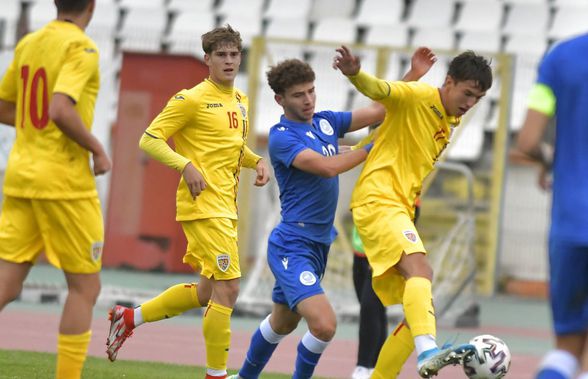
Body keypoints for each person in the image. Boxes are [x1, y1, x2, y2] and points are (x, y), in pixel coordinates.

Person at [228, 48, 436, 379]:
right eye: (299, 95)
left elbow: (378, 109)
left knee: (282, 321)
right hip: (292, 244)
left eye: (311, 90)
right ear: (280, 100)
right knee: (325, 325)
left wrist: (413, 76)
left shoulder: (325, 121)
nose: (308, 99)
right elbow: (327, 167)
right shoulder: (282, 137)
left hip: (319, 245)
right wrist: (371, 147)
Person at [105, 25, 270, 379]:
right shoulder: (190, 98)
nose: (228, 60)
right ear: (207, 60)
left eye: (233, 54)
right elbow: (149, 139)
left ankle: (130, 317)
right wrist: (186, 165)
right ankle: (216, 375)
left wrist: (257, 161)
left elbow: (230, 149)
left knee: (207, 291)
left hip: (226, 208)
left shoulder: (240, 100)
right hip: (203, 206)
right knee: (229, 289)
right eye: (221, 55)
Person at [333, 45, 492, 379]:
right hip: (379, 202)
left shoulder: (447, 121)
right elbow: (381, 91)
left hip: (398, 207)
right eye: (467, 93)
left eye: (477, 99)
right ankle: (427, 352)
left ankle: (381, 372)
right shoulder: (420, 96)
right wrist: (354, 73)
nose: (470, 103)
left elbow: (382, 131)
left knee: (416, 307)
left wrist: (356, 149)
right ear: (448, 82)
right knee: (418, 270)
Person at [0, 0, 111, 378]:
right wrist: (96, 148)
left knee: (6, 281)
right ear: (92, 6)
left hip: (21, 177)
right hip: (64, 183)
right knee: (84, 288)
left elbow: (4, 106)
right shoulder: (82, 48)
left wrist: (37, 127)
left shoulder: (30, 43)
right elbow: (60, 109)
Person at [512, 33, 588, 379]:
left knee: (565, 350)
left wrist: (549, 161)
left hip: (570, 223)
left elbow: (528, 141)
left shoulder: (562, 57)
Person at [350, 199, 420, 379]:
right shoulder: (368, 178)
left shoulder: (401, 178)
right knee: (374, 309)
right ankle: (377, 368)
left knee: (369, 306)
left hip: (384, 250)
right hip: (361, 248)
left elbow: (413, 211)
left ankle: (363, 367)